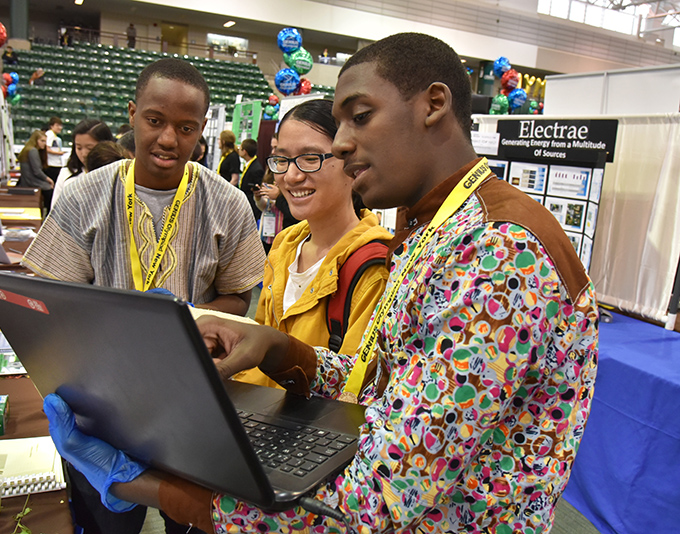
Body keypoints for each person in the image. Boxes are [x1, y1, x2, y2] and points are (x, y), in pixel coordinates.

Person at [44, 32, 599, 533]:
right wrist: (286, 351)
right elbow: (389, 395)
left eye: (360, 116)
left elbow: (373, 501)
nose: (340, 145)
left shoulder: (500, 250)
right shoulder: (442, 225)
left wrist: (140, 485)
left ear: (434, 105)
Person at [27, 57, 264, 534]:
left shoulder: (229, 203)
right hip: (99, 397)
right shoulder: (82, 197)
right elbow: (52, 302)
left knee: (192, 515)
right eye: (155, 121)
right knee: (110, 517)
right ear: (133, 114)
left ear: (201, 131)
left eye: (186, 127)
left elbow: (240, 295)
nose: (168, 139)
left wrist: (186, 323)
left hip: (191, 393)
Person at [236, 99, 391, 389]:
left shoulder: (373, 267)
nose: (292, 176)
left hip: (315, 430)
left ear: (350, 161)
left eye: (310, 158)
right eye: (282, 159)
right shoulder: (285, 245)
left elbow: (358, 384)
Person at [50, 119, 114, 208]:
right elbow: (55, 210)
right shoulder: (66, 173)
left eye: (90, 148)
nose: (83, 154)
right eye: (79, 148)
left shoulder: (115, 173)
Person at [16, 130, 53, 208]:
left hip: (27, 181)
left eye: (45, 141)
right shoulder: (33, 151)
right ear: (35, 140)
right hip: (31, 181)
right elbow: (37, 171)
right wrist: (49, 179)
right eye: (42, 141)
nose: (44, 143)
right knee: (50, 188)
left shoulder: (27, 149)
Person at [235, 138, 263, 220]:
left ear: (245, 152)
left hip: (251, 209)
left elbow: (255, 192)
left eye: (240, 149)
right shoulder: (248, 165)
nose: (238, 150)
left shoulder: (256, 169)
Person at [44, 116, 65, 182]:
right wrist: (59, 153)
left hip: (56, 164)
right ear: (51, 126)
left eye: (60, 125)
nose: (60, 128)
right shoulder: (50, 134)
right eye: (57, 125)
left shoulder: (54, 136)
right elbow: (46, 149)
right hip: (52, 164)